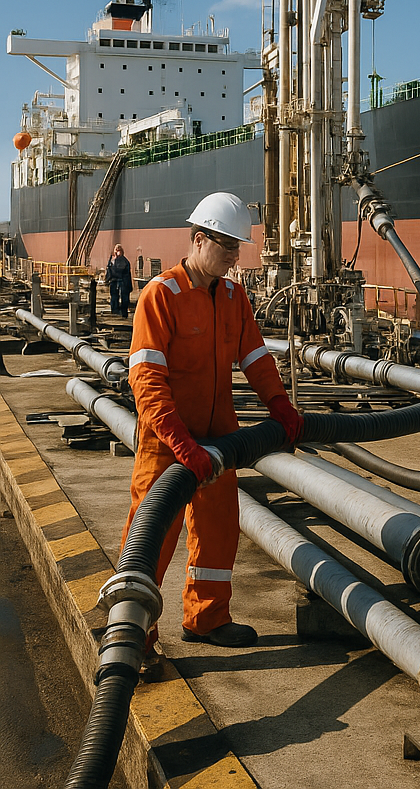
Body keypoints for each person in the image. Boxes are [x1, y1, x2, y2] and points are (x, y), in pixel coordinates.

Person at [123, 191, 303, 648]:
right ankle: (133, 631)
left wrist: (280, 405)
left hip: (220, 437)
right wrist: (181, 443)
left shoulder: (232, 295)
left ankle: (206, 617)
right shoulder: (160, 295)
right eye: (227, 247)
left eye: (237, 247)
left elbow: (257, 358)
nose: (234, 256)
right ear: (199, 240)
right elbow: (146, 379)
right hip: (167, 442)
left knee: (219, 529)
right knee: (151, 535)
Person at [105, 243, 132, 318]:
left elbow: (119, 270)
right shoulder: (114, 260)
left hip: (121, 281)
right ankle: (115, 312)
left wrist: (107, 279)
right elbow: (109, 270)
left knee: (123, 298)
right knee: (115, 297)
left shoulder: (120, 260)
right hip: (116, 281)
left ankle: (122, 312)